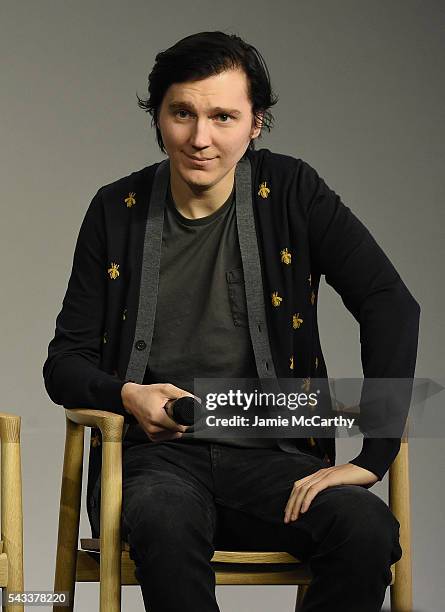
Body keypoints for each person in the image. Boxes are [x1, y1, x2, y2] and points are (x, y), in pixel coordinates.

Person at [43, 31, 420, 611]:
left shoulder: (292, 190)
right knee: (164, 525)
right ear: (158, 118)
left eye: (223, 116)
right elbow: (63, 365)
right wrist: (128, 395)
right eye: (182, 114)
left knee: (365, 530)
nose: (200, 138)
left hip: (276, 456)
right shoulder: (114, 210)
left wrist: (374, 457)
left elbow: (390, 302)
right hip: (155, 461)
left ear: (255, 124)